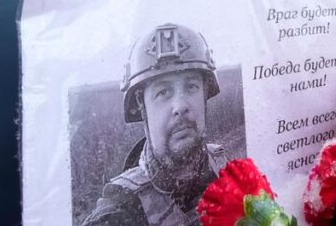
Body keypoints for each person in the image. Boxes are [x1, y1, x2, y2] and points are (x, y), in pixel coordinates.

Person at [83, 23, 229, 226]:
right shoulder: (121, 210)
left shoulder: (221, 164)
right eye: (163, 92)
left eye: (192, 86)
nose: (180, 106)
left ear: (205, 95)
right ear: (143, 109)